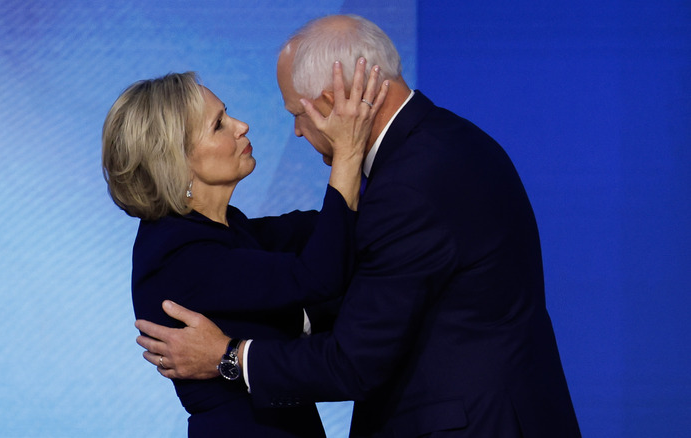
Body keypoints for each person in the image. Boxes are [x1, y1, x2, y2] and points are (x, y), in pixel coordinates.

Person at [136, 14, 582, 437]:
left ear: (334, 101)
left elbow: (353, 359)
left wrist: (229, 357)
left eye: (297, 113)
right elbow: (335, 264)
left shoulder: (409, 184)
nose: (295, 131)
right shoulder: (441, 146)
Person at [102, 63, 388, 436]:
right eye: (219, 124)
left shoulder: (223, 228)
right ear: (176, 160)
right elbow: (319, 276)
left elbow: (322, 231)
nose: (241, 126)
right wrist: (348, 153)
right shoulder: (179, 255)